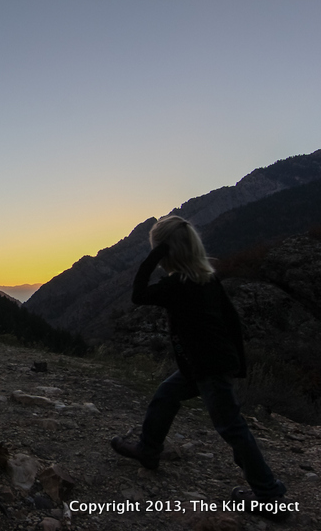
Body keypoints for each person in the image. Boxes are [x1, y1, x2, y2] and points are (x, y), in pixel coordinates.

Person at [110, 215, 289, 522]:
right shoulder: (205, 279)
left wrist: (154, 255)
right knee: (166, 396)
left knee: (231, 427)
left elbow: (138, 294)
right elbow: (231, 321)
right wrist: (238, 364)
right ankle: (149, 448)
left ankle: (269, 495)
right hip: (204, 365)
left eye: (158, 248)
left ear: (168, 251)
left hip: (207, 367)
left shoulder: (178, 284)